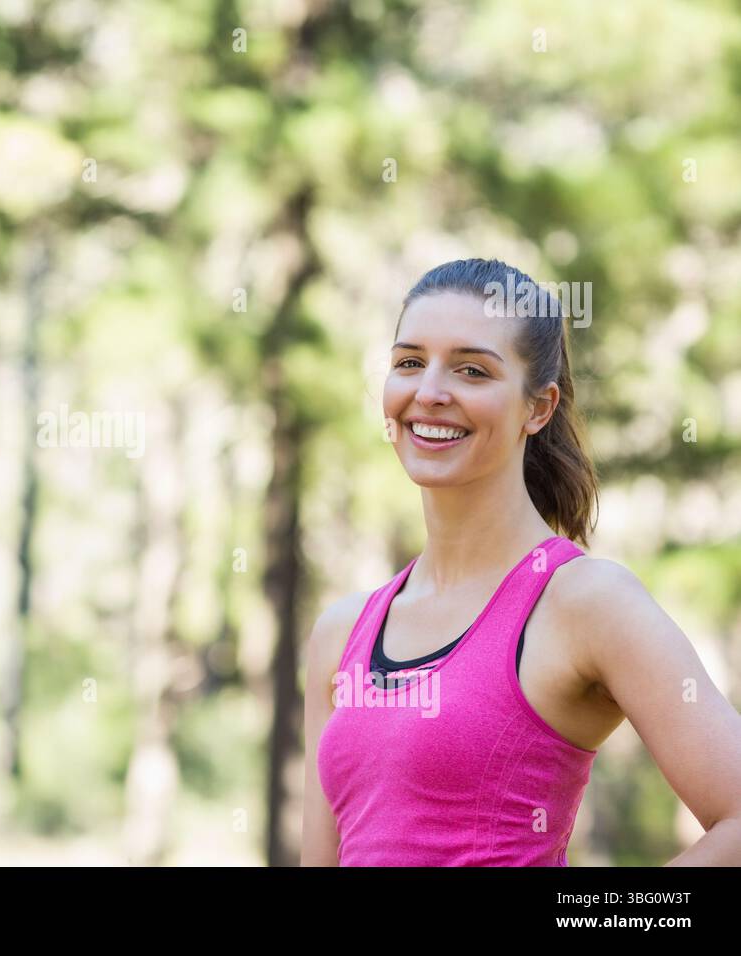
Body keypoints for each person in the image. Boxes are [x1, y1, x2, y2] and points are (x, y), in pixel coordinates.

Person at [301, 258, 741, 866]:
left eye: (472, 370)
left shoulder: (584, 601)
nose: (430, 392)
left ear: (538, 408)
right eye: (409, 363)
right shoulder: (341, 633)